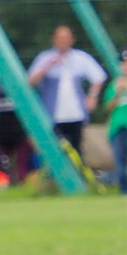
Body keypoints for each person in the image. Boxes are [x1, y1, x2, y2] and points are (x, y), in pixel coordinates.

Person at [27, 26, 108, 157]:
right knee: (54, 150)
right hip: (53, 115)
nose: (63, 41)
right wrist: (47, 67)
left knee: (77, 149)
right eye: (60, 38)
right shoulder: (45, 57)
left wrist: (92, 96)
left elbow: (98, 76)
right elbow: (31, 81)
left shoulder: (80, 57)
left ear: (72, 40)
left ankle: (77, 175)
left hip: (76, 114)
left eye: (66, 38)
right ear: (53, 40)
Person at [107, 50, 127, 194]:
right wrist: (118, 92)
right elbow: (107, 109)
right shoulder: (114, 85)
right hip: (118, 128)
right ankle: (123, 191)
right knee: (120, 162)